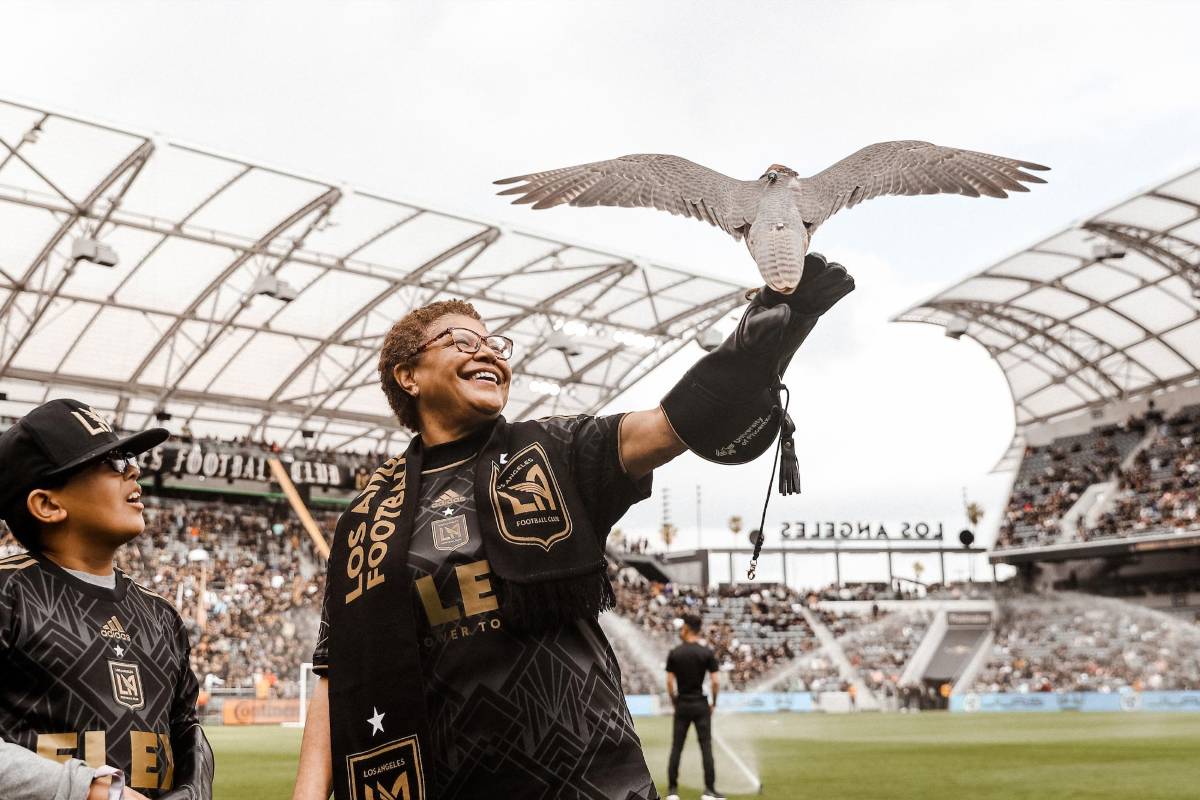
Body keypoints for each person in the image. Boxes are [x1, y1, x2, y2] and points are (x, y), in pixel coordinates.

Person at [292, 254, 853, 800]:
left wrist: (756, 351)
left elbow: (668, 426)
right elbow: (336, 671)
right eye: (462, 340)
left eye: (494, 343)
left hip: (593, 781)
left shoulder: (555, 450)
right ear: (407, 375)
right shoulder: (368, 517)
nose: (487, 351)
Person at [0, 399, 214, 800]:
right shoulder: (8, 594)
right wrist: (93, 790)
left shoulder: (161, 615)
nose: (133, 469)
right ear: (48, 504)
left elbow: (188, 732)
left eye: (128, 457)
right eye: (112, 463)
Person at [664, 614, 722, 800]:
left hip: (682, 704)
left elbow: (669, 682)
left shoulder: (675, 652)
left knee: (676, 747)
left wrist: (674, 701)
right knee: (706, 747)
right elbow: (715, 682)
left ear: (687, 628)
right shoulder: (706, 652)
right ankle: (709, 791)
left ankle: (673, 791)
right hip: (700, 704)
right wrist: (714, 702)